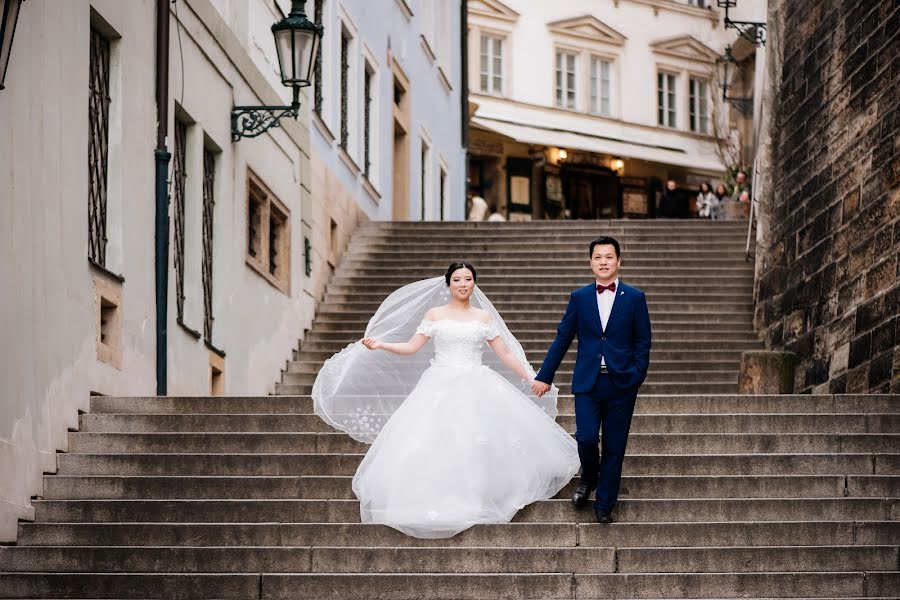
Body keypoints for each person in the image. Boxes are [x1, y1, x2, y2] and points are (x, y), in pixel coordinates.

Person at [312, 263, 579, 538]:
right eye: (457, 279)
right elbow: (411, 347)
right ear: (448, 284)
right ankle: (437, 497)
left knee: (474, 441)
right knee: (437, 441)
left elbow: (505, 354)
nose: (463, 284)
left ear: (474, 283)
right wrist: (382, 344)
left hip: (476, 383)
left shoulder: (483, 318)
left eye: (468, 279)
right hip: (439, 383)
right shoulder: (435, 314)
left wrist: (532, 376)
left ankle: (475, 499)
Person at [531, 237, 652, 524]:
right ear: (591, 263)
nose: (604, 262)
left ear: (618, 261)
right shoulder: (580, 297)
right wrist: (544, 376)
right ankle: (588, 477)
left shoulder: (635, 298)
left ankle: (604, 505)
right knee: (585, 438)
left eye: (609, 257)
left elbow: (643, 341)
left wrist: (636, 375)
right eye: (598, 257)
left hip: (622, 383)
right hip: (588, 382)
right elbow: (563, 337)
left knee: (614, 445)